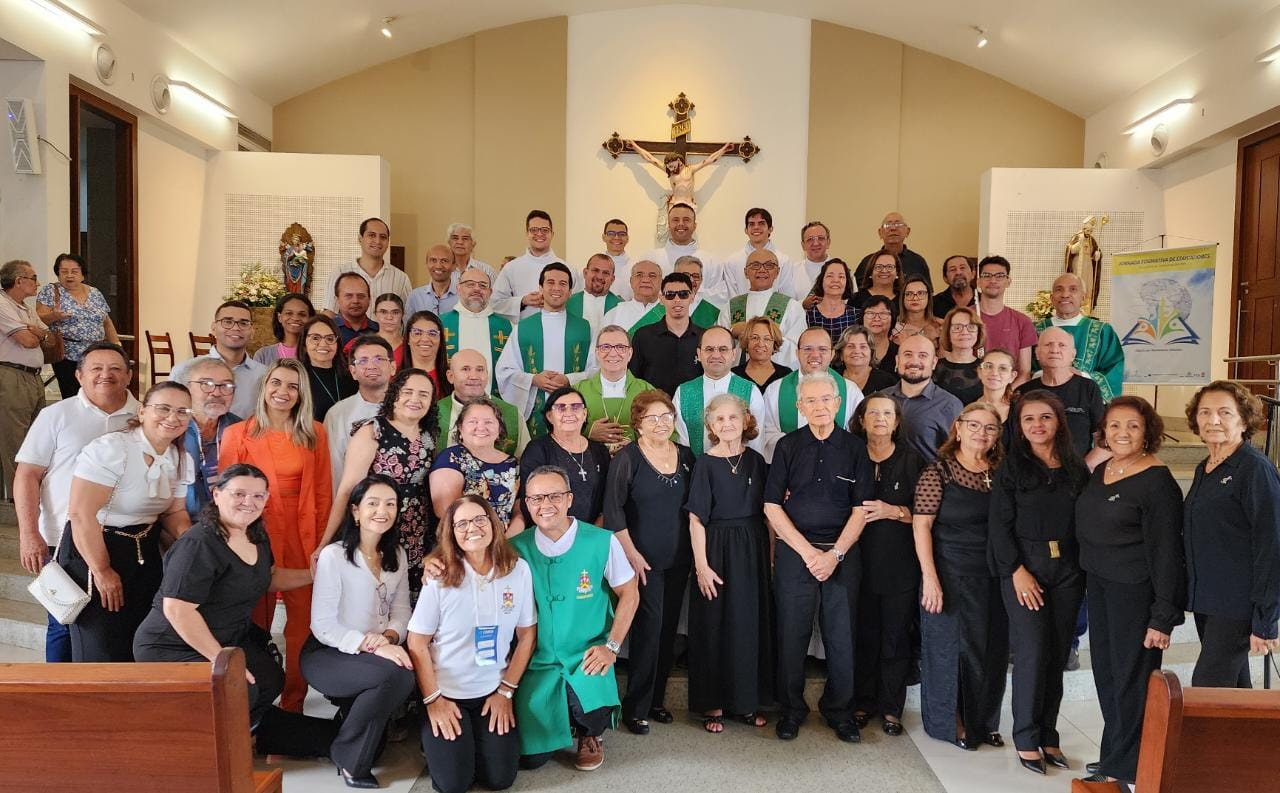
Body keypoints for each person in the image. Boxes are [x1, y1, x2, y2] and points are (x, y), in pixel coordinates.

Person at [132, 463, 337, 761]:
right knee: (239, 689)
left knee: (269, 679)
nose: (248, 502)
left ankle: (243, 737)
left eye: (258, 496)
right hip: (171, 644)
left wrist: (315, 575)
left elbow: (269, 578)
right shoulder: (198, 543)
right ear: (217, 495)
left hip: (226, 637)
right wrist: (222, 662)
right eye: (239, 494)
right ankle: (205, 754)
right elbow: (177, 609)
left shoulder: (256, 534)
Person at [1076, 396, 1184, 785]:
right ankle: (1115, 755)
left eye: (1133, 426)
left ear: (1147, 432)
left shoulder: (1158, 482)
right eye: (1115, 425)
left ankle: (1126, 768)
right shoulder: (1104, 469)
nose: (1122, 433)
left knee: (1132, 681)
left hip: (1136, 594)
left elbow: (1168, 553)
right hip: (1100, 586)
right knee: (1108, 676)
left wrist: (1163, 616)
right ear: (1103, 431)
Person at [507, 466, 640, 772]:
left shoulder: (601, 541)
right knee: (530, 760)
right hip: (537, 660)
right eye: (537, 498)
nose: (545, 505)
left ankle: (590, 734)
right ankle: (559, 723)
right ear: (527, 504)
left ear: (569, 499)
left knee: (590, 706)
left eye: (554, 496)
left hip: (587, 654)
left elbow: (630, 594)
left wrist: (612, 647)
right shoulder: (515, 549)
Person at [764, 372, 873, 743]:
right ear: (800, 406)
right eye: (810, 401)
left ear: (838, 403)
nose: (819, 406)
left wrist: (835, 554)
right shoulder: (787, 446)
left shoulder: (855, 448)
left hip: (843, 553)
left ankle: (840, 711)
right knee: (790, 634)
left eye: (826, 399)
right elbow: (772, 505)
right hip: (797, 552)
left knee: (842, 637)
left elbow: (861, 509)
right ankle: (790, 710)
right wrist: (809, 553)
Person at [219, 359, 333, 711]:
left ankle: (293, 703)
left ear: (301, 394)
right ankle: (251, 702)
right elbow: (227, 496)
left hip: (302, 534)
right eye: (276, 383)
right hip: (256, 533)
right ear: (264, 387)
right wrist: (234, 542)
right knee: (253, 618)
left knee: (301, 623)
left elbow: (323, 493)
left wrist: (323, 545)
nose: (283, 392)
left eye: (292, 386)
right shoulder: (238, 434)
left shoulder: (315, 433)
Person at [14, 343, 137, 662]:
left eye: (115, 368)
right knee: (64, 620)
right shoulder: (56, 415)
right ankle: (59, 690)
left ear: (128, 376)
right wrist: (29, 534)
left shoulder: (142, 417)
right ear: (79, 375)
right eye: (96, 368)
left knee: (119, 624)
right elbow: (27, 475)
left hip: (124, 539)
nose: (105, 375)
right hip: (62, 538)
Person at [988, 392, 1089, 774]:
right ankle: (1026, 737)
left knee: (1057, 654)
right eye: (1028, 419)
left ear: (1059, 421)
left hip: (1069, 570)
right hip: (1025, 569)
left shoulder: (1075, 467)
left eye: (1045, 417)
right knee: (1032, 653)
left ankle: (1049, 734)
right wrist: (1016, 571)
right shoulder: (1011, 468)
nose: (1037, 425)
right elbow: (999, 526)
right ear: (1018, 426)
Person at [408, 495, 536, 793]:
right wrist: (433, 701)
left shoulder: (518, 570)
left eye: (480, 519)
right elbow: (416, 643)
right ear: (451, 533)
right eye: (462, 523)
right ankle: (439, 742)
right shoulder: (439, 576)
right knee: (453, 784)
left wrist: (506, 691)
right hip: (446, 694)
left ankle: (469, 743)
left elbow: (527, 635)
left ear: (494, 524)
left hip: (492, 690)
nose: (472, 528)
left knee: (500, 779)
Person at [61, 381, 195, 661]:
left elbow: (173, 513)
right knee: (101, 646)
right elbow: (81, 515)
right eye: (164, 408)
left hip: (144, 550)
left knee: (139, 641)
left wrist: (195, 544)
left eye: (182, 411)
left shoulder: (181, 458)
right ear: (143, 411)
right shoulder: (112, 448)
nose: (173, 417)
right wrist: (102, 570)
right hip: (95, 546)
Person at [303, 474, 418, 788]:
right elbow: (323, 625)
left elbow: (402, 612)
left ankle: (324, 735)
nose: (383, 511)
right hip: (329, 652)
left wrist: (389, 638)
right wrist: (373, 645)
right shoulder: (334, 556)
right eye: (373, 503)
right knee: (398, 675)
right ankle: (349, 760)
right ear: (355, 511)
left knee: (377, 745)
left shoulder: (397, 555)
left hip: (375, 653)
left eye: (390, 504)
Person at [913, 402, 1008, 749]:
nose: (981, 433)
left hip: (994, 574)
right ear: (958, 427)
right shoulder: (939, 471)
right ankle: (950, 722)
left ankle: (984, 721)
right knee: (949, 650)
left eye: (990, 427)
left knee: (990, 649)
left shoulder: (1002, 471)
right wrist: (930, 578)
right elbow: (921, 526)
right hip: (949, 572)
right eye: (974, 425)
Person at [604, 389, 695, 734]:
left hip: (679, 558)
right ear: (638, 424)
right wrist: (632, 554)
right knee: (649, 630)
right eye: (651, 418)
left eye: (666, 416)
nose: (660, 423)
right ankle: (636, 707)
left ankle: (656, 701)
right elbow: (614, 511)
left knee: (669, 630)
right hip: (642, 561)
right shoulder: (627, 458)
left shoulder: (686, 456)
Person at [1183, 381, 1280, 687]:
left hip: (1238, 604)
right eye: (1205, 412)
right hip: (1208, 600)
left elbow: (1272, 545)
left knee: (1207, 690)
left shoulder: (1255, 469)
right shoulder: (1205, 467)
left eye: (1225, 412)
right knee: (1234, 692)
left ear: (1244, 420)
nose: (1213, 420)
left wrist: (1266, 618)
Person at [685, 394, 772, 733]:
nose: (727, 424)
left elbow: (768, 514)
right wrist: (702, 566)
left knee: (748, 625)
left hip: (752, 548)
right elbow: (696, 519)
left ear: (745, 420)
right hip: (716, 549)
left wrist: (772, 556)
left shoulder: (757, 461)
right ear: (710, 425)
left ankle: (746, 703)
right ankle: (713, 704)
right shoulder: (705, 464)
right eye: (719, 419)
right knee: (715, 625)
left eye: (733, 417)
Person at [322, 368, 438, 594]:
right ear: (394, 395)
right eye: (407, 392)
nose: (415, 399)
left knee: (410, 599)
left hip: (419, 532)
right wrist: (325, 541)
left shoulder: (428, 435)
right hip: (379, 527)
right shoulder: (372, 431)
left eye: (423, 394)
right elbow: (348, 490)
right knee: (375, 594)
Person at [850, 394, 925, 737]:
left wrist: (892, 511)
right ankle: (863, 702)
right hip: (856, 563)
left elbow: (927, 513)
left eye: (887, 414)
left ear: (896, 422)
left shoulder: (913, 460)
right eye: (873, 413)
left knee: (895, 636)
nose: (880, 418)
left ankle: (892, 708)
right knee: (863, 634)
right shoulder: (850, 456)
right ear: (861, 420)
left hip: (900, 564)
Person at [495, 262, 596, 438]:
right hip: (536, 410)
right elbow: (504, 371)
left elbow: (597, 370)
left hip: (573, 409)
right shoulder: (523, 328)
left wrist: (569, 379)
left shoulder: (585, 328)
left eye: (563, 283)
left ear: (570, 291)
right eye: (550, 282)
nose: (556, 288)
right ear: (540, 288)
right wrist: (533, 379)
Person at [762, 327, 861, 457]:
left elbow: (857, 435)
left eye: (822, 349)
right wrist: (801, 449)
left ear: (832, 354)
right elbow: (766, 431)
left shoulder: (850, 391)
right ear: (797, 353)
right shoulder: (775, 390)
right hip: (791, 463)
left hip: (836, 462)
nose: (815, 355)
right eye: (808, 349)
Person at [673, 326, 768, 457]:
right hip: (694, 468)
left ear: (734, 354)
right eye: (709, 349)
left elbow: (756, 443)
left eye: (723, 349)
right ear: (699, 354)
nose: (716, 355)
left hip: (739, 468)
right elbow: (681, 442)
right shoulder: (683, 392)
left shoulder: (750, 391)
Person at [520, 387, 610, 525]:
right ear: (549, 416)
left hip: (593, 531)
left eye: (576, 407)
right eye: (561, 408)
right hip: (549, 530)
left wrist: (594, 531)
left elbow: (608, 498)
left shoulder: (600, 451)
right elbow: (531, 499)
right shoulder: (537, 450)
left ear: (584, 414)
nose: (569, 413)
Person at [430, 397, 522, 532]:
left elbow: (520, 512)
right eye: (473, 421)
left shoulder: (513, 464)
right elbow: (444, 511)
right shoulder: (451, 458)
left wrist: (506, 540)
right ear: (460, 428)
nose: (481, 427)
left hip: (507, 540)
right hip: (466, 537)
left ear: (499, 429)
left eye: (488, 422)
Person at [35, 253, 121, 396]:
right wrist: (54, 316)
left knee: (98, 394)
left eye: (74, 271)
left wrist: (117, 346)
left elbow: (106, 322)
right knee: (73, 395)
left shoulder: (95, 293)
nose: (69, 275)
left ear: (82, 275)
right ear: (58, 274)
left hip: (96, 354)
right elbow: (38, 320)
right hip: (67, 355)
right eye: (64, 271)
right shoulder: (50, 291)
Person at [1033, 272, 1126, 401]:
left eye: (1073, 289)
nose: (1065, 295)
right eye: (1059, 289)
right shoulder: (1034, 330)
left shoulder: (1102, 331)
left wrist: (1082, 375)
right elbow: (1024, 369)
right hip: (1043, 401)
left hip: (1086, 403)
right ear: (1052, 297)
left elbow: (1114, 369)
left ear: (1083, 297)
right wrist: (1047, 374)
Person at [1017, 327, 1105, 459]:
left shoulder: (1088, 388)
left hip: (1079, 468)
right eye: (1048, 345)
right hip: (1033, 468)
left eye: (1062, 345)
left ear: (1073, 354)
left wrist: (1086, 466)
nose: (1054, 350)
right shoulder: (1024, 392)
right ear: (1037, 353)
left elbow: (1102, 438)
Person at [170, 299, 267, 419]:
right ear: (213, 327)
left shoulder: (264, 375)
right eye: (228, 322)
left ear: (252, 331)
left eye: (243, 323)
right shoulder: (184, 370)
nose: (236, 328)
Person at [324, 335, 396, 484]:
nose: (371, 366)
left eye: (379, 359)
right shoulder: (337, 414)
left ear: (393, 367)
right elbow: (334, 469)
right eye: (363, 361)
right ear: (353, 371)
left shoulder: (409, 409)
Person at [883, 336, 964, 461]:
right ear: (897, 360)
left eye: (923, 355)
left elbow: (959, 456)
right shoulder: (879, 400)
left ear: (934, 362)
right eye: (908, 354)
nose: (914, 361)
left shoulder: (950, 405)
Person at [435, 350, 529, 457]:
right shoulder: (435, 412)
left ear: (487, 375)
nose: (474, 376)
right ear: (450, 376)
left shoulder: (511, 413)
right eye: (465, 369)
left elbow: (526, 460)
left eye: (480, 370)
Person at [722, 248, 805, 367]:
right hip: (738, 374)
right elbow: (719, 345)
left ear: (777, 272)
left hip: (777, 374)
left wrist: (760, 334)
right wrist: (732, 333)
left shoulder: (792, 307)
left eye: (769, 265)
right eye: (755, 265)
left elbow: (798, 348)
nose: (762, 270)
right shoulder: (731, 307)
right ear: (745, 272)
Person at [180, 357, 241, 517]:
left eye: (226, 386)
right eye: (206, 384)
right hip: (175, 520)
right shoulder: (172, 427)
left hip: (227, 519)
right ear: (187, 388)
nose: (216, 392)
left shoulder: (241, 430)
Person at [579, 325, 654, 452]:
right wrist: (587, 432)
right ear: (597, 353)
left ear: (630, 353)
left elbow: (665, 431)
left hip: (635, 462)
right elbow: (559, 432)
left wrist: (638, 446)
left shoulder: (648, 392)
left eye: (620, 347)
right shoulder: (578, 392)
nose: (613, 353)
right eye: (605, 347)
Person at [628, 273, 704, 396]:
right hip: (653, 405)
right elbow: (634, 379)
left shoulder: (704, 337)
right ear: (661, 299)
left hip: (694, 404)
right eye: (670, 295)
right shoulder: (643, 336)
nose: (677, 300)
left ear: (692, 297)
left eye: (683, 294)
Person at [441, 268, 513, 387]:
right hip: (450, 395)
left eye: (482, 285)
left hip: (494, 396)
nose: (477, 289)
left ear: (490, 292)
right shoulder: (440, 323)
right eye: (470, 284)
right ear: (458, 288)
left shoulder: (507, 327)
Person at [322, 217, 412, 312]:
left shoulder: (401, 278)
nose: (377, 241)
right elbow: (329, 312)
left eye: (383, 237)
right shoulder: (339, 273)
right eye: (371, 235)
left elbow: (408, 316)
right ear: (360, 239)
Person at [491, 210, 566, 319]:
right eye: (534, 230)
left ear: (552, 234)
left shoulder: (567, 269)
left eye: (545, 230)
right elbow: (495, 303)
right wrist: (522, 301)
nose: (539, 234)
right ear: (527, 233)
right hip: (523, 327)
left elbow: (575, 303)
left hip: (560, 325)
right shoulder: (512, 268)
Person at [975, 255, 1035, 388]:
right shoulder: (964, 317)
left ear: (1008, 281)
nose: (993, 280)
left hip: (1008, 394)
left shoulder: (1022, 322)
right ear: (978, 281)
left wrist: (1004, 396)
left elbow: (1024, 372)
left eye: (999, 276)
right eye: (987, 275)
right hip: (969, 392)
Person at [643, 203, 721, 301]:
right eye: (675, 220)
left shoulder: (712, 261)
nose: (681, 224)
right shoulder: (651, 259)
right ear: (669, 225)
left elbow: (718, 298)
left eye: (686, 220)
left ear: (695, 225)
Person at [720, 208, 795, 298]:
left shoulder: (784, 261)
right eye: (751, 224)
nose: (756, 227)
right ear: (746, 230)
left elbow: (786, 297)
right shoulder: (731, 262)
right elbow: (731, 299)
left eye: (761, 223)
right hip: (741, 307)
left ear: (770, 229)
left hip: (775, 307)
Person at [298, 315, 357, 421]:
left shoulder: (352, 377)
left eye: (330, 338)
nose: (323, 344)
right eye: (315, 338)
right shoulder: (297, 379)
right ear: (304, 345)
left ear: (337, 344)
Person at [854, 212, 933, 291]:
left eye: (898, 224)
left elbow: (927, 293)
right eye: (887, 225)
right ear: (880, 232)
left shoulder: (918, 262)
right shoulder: (868, 261)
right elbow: (856, 291)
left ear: (907, 231)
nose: (893, 228)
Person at [933, 307, 985, 405]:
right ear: (947, 333)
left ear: (978, 333)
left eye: (971, 327)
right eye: (957, 328)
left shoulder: (987, 368)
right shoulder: (933, 368)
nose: (964, 332)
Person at [566, 254, 622, 339]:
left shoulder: (620, 307)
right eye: (595, 270)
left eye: (606, 273)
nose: (600, 277)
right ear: (585, 273)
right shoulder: (567, 303)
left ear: (612, 279)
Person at [602, 259, 663, 335]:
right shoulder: (614, 313)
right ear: (631, 281)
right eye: (639, 275)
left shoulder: (670, 312)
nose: (646, 280)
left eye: (652, 276)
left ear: (661, 282)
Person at [252, 292, 314, 366]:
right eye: (289, 313)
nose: (295, 318)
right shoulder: (263, 355)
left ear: (310, 318)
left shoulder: (316, 353)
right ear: (279, 317)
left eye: (302, 314)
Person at [805, 258, 860, 341]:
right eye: (830, 276)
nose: (836, 280)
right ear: (821, 281)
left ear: (847, 282)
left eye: (841, 276)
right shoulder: (808, 315)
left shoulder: (857, 315)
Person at [834, 325, 898, 396]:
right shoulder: (832, 378)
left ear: (871, 352)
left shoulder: (887, 381)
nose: (857, 351)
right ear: (841, 353)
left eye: (863, 346)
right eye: (850, 346)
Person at [732, 316, 791, 392]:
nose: (760, 344)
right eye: (755, 338)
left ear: (774, 344)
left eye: (767, 339)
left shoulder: (787, 375)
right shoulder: (733, 375)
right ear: (746, 342)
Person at [404, 310, 451, 397]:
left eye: (432, 334)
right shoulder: (394, 377)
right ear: (408, 339)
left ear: (441, 340)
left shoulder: (451, 378)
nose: (425, 339)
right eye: (417, 333)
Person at [405, 244, 459, 318]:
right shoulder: (415, 296)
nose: (438, 266)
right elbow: (408, 324)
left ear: (454, 266)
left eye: (444, 261)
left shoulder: (462, 296)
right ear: (427, 264)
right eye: (433, 260)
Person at [673, 256, 729, 327]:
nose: (691, 280)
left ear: (701, 280)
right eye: (686, 275)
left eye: (696, 276)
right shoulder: (662, 306)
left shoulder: (711, 313)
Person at [790, 221, 836, 304]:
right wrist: (802, 304)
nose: (816, 243)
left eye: (821, 238)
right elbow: (785, 304)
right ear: (803, 245)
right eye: (810, 239)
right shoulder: (791, 271)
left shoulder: (843, 271)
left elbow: (852, 303)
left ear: (828, 242)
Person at [891, 274, 943, 347]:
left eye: (920, 293)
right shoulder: (892, 327)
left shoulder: (940, 326)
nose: (915, 298)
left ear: (928, 297)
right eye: (909, 294)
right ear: (903, 298)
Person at [332, 272, 380, 348]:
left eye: (361, 296)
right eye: (349, 296)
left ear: (369, 299)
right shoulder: (328, 329)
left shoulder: (379, 331)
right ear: (337, 300)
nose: (355, 301)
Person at [977, 348, 1019, 430]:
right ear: (979, 372)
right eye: (988, 366)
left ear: (1012, 376)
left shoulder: (1020, 409)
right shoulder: (967, 406)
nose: (994, 373)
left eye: (1003, 368)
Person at [446, 222, 498, 287]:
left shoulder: (487, 271)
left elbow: (496, 293)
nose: (460, 242)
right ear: (449, 242)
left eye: (465, 239)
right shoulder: (442, 270)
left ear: (473, 244)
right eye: (455, 238)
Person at [860, 294, 899, 374]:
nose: (877, 318)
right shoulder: (852, 350)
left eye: (883, 314)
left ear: (893, 319)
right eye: (871, 313)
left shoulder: (900, 352)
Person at [932, 255, 976, 319]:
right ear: (945, 278)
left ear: (973, 274)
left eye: (962, 268)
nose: (958, 272)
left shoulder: (983, 300)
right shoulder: (934, 303)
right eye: (952, 269)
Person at [372, 293, 406, 369]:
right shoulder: (361, 344)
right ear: (375, 314)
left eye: (395, 312)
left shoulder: (411, 346)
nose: (389, 317)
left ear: (402, 315)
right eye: (383, 312)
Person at [601, 219, 631, 297]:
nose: (617, 237)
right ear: (604, 237)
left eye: (622, 234)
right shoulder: (594, 265)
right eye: (611, 233)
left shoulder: (635, 266)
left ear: (627, 238)